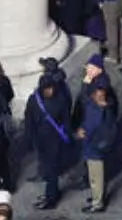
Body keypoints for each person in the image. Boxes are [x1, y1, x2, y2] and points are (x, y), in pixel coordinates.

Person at [24, 72, 72, 210]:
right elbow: (29, 121)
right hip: (40, 140)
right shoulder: (34, 100)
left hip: (54, 141)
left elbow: (66, 119)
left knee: (51, 170)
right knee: (48, 168)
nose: (49, 91)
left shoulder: (59, 99)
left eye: (51, 88)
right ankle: (51, 192)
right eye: (47, 89)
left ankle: (51, 198)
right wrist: (30, 139)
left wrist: (67, 136)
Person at [78, 86, 117, 213]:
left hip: (94, 147)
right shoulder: (105, 109)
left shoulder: (97, 110)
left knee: (96, 177)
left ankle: (97, 203)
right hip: (96, 146)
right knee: (95, 176)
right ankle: (97, 196)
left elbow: (92, 127)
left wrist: (82, 133)